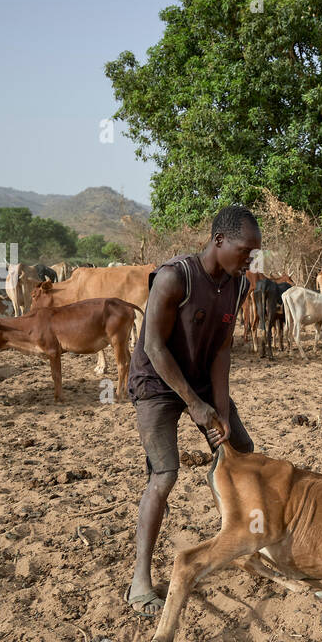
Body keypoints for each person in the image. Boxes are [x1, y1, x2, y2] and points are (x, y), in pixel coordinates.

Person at [124, 205, 262, 616]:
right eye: (245, 250)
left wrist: (218, 409)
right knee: (164, 475)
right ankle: (140, 580)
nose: (250, 259)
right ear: (219, 241)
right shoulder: (173, 278)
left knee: (240, 453)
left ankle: (245, 543)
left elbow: (221, 348)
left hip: (202, 379)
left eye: (255, 252)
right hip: (157, 382)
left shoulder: (239, 287)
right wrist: (195, 405)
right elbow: (153, 347)